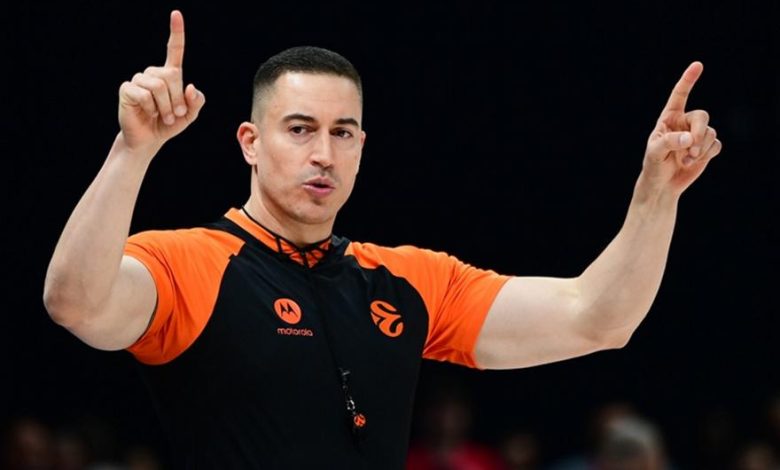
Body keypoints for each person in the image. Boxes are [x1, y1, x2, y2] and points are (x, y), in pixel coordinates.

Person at [42, 9, 722, 469]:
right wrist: (133, 151)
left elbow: (598, 318)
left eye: (342, 133)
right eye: (300, 129)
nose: (323, 154)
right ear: (250, 141)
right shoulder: (190, 262)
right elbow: (75, 302)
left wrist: (656, 193)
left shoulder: (407, 280)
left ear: (362, 147)